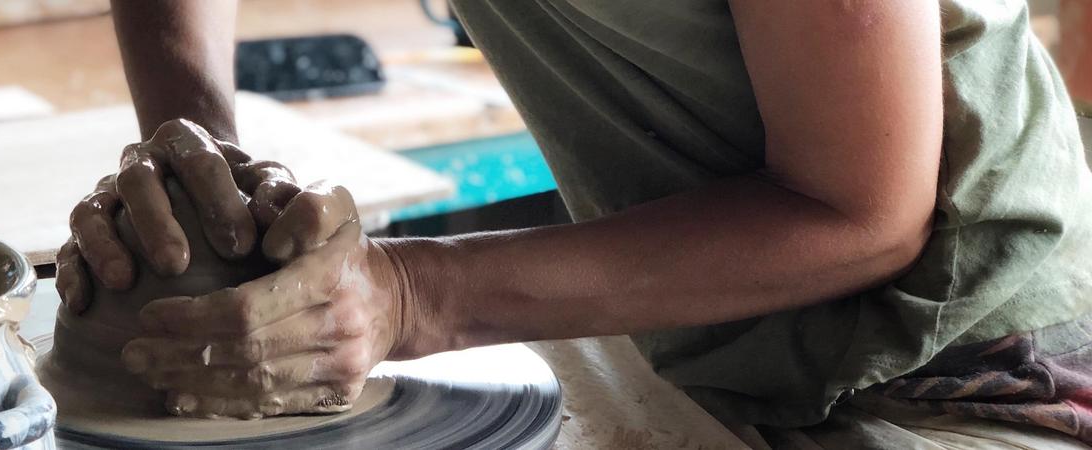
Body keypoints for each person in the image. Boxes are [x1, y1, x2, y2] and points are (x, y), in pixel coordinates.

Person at [54, 1, 1092, 448]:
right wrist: (194, 147)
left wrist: (414, 293)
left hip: (975, 356)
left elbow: (865, 211)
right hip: (709, 342)